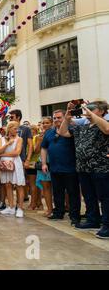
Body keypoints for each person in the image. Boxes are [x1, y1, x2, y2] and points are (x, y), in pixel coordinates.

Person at [58, 100, 109, 239]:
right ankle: (93, 220)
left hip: (100, 166)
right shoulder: (82, 126)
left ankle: (107, 225)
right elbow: (63, 132)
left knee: (104, 197)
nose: (88, 110)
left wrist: (91, 113)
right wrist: (67, 116)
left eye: (93, 108)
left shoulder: (103, 123)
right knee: (88, 196)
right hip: (83, 167)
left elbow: (107, 129)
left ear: (102, 111)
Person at [41, 110, 81, 225]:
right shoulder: (49, 132)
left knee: (73, 193)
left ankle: (74, 216)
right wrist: (44, 163)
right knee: (57, 193)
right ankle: (58, 213)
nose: (56, 120)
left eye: (59, 117)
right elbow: (44, 148)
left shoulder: (71, 130)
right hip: (54, 168)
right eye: (54, 118)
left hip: (70, 168)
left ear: (64, 118)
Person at [0, 121, 26, 218]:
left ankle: (20, 208)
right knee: (7, 185)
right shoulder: (2, 139)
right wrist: (7, 144)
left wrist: (3, 154)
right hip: (5, 164)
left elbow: (17, 153)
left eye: (18, 129)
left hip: (15, 163)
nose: (17, 131)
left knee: (19, 185)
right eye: (15, 128)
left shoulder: (19, 139)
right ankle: (11, 207)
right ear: (9, 128)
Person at [8, 110, 33, 202]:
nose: (10, 118)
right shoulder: (8, 128)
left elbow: (30, 145)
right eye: (9, 117)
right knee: (9, 183)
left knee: (20, 183)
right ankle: (11, 204)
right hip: (9, 159)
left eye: (12, 117)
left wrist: (28, 159)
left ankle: (20, 204)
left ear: (18, 117)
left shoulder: (26, 129)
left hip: (21, 159)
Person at [36, 117, 54, 217]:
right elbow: (37, 150)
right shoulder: (40, 136)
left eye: (47, 123)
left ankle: (63, 207)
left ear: (51, 123)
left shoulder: (55, 132)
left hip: (54, 161)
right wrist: (40, 139)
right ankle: (49, 209)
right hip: (43, 162)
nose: (45, 125)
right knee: (46, 187)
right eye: (43, 123)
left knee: (57, 187)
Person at [26, 125, 41, 211]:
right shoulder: (31, 138)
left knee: (33, 185)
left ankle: (33, 203)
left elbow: (35, 150)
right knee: (34, 184)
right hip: (30, 163)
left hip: (33, 163)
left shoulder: (35, 138)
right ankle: (38, 202)